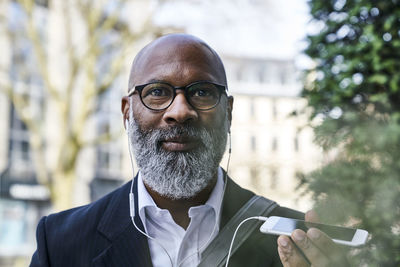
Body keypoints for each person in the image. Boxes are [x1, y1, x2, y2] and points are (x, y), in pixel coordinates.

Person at [30, 33, 346, 267]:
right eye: (156, 92)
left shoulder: (301, 244)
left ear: (229, 112)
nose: (180, 111)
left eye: (202, 92)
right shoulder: (60, 242)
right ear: (127, 111)